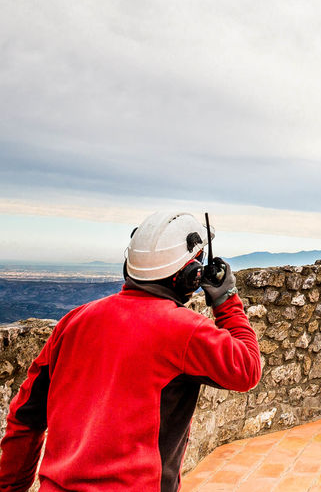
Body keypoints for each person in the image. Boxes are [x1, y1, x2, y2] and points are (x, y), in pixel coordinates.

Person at [0, 210, 261, 492]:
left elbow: (25, 417)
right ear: (190, 276)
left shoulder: (73, 321)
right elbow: (247, 369)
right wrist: (226, 300)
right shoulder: (187, 331)